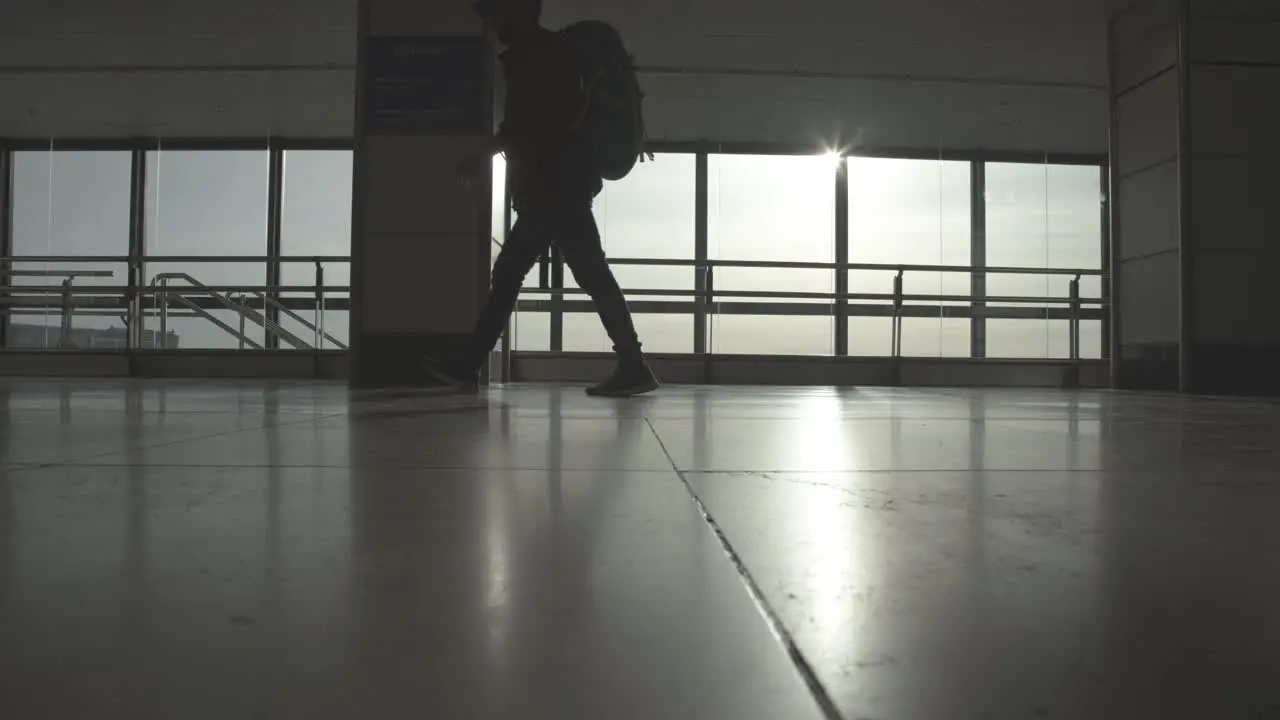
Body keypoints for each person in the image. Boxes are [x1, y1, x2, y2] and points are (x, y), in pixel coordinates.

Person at [425, 0, 659, 398]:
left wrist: (484, 153)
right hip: (559, 186)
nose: (494, 23)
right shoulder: (552, 53)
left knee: (517, 274)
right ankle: (633, 364)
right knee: (582, 275)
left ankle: (467, 365)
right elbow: (542, 121)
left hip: (553, 187)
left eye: (497, 14)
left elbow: (534, 122)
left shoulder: (535, 55)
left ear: (520, 11)